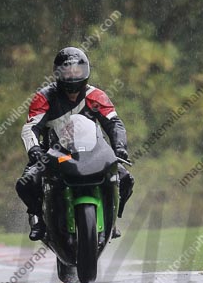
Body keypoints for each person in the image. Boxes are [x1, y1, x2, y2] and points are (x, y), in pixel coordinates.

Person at [16, 47, 134, 240]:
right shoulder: (44, 97)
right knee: (25, 183)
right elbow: (31, 127)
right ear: (57, 73)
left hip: (94, 151)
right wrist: (35, 149)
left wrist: (120, 148)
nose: (72, 76)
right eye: (67, 71)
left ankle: (112, 220)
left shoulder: (97, 96)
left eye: (77, 71)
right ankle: (39, 217)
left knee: (126, 178)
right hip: (54, 154)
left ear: (86, 71)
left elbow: (114, 123)